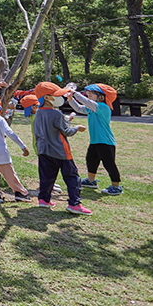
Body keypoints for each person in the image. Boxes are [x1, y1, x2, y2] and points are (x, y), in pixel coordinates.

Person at [32, 82, 91, 215]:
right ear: (47, 97)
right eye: (56, 95)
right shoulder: (56, 114)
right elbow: (66, 132)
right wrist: (77, 128)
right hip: (60, 151)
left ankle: (43, 200)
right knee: (72, 177)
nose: (59, 98)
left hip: (44, 151)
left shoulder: (38, 113)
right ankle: (74, 204)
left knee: (46, 176)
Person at [69, 83, 122, 196]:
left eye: (90, 95)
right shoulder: (91, 107)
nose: (88, 98)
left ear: (101, 97)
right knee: (91, 160)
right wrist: (70, 99)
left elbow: (87, 103)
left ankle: (116, 186)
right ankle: (91, 181)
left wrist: (75, 93)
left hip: (105, 142)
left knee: (109, 164)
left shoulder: (103, 107)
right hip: (95, 141)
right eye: (87, 95)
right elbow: (78, 108)